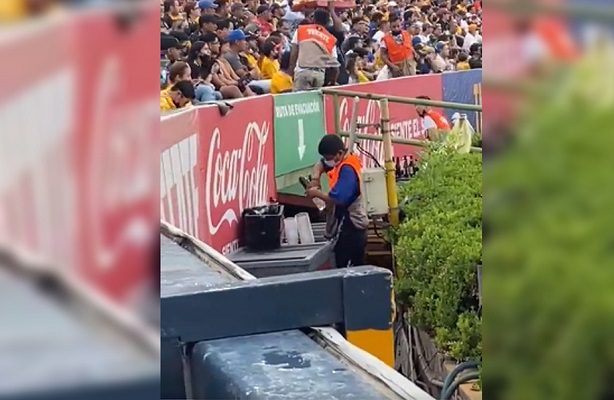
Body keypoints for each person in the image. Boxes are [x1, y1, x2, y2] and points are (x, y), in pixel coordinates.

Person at [306, 135, 369, 268]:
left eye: (329, 157)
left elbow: (338, 199)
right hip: (346, 225)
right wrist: (315, 178)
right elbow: (320, 164)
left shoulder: (347, 171)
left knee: (348, 267)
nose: (327, 161)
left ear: (339, 154)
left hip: (353, 228)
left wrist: (316, 193)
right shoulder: (340, 161)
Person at [289, 8, 339, 91]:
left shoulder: (301, 30)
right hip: (319, 74)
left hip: (302, 71)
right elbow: (334, 67)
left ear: (314, 19)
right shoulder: (331, 39)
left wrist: (292, 71)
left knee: (300, 101)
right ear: (327, 22)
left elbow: (294, 53)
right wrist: (332, 81)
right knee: (315, 102)